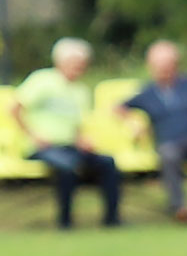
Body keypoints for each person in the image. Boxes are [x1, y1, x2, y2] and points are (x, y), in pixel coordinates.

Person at [11, 37, 122, 230]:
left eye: (83, 64)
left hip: (70, 146)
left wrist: (82, 140)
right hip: (43, 147)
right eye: (75, 63)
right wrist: (33, 134)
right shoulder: (42, 81)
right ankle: (65, 222)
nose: (79, 68)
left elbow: (77, 125)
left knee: (107, 163)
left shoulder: (81, 91)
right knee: (67, 167)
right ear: (60, 62)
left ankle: (111, 220)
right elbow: (15, 108)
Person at [121, 40, 187, 223]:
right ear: (151, 67)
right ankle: (179, 208)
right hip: (168, 142)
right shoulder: (147, 92)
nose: (164, 71)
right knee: (169, 156)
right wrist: (134, 123)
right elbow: (118, 108)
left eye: (168, 66)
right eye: (159, 67)